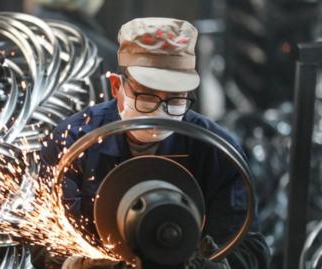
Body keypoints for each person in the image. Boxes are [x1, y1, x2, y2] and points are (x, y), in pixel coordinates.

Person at [36, 18, 271, 269]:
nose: (161, 111)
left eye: (175, 99)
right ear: (117, 87)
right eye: (147, 96)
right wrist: (76, 264)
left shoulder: (217, 150)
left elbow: (250, 249)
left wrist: (216, 265)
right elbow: (43, 242)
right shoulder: (73, 143)